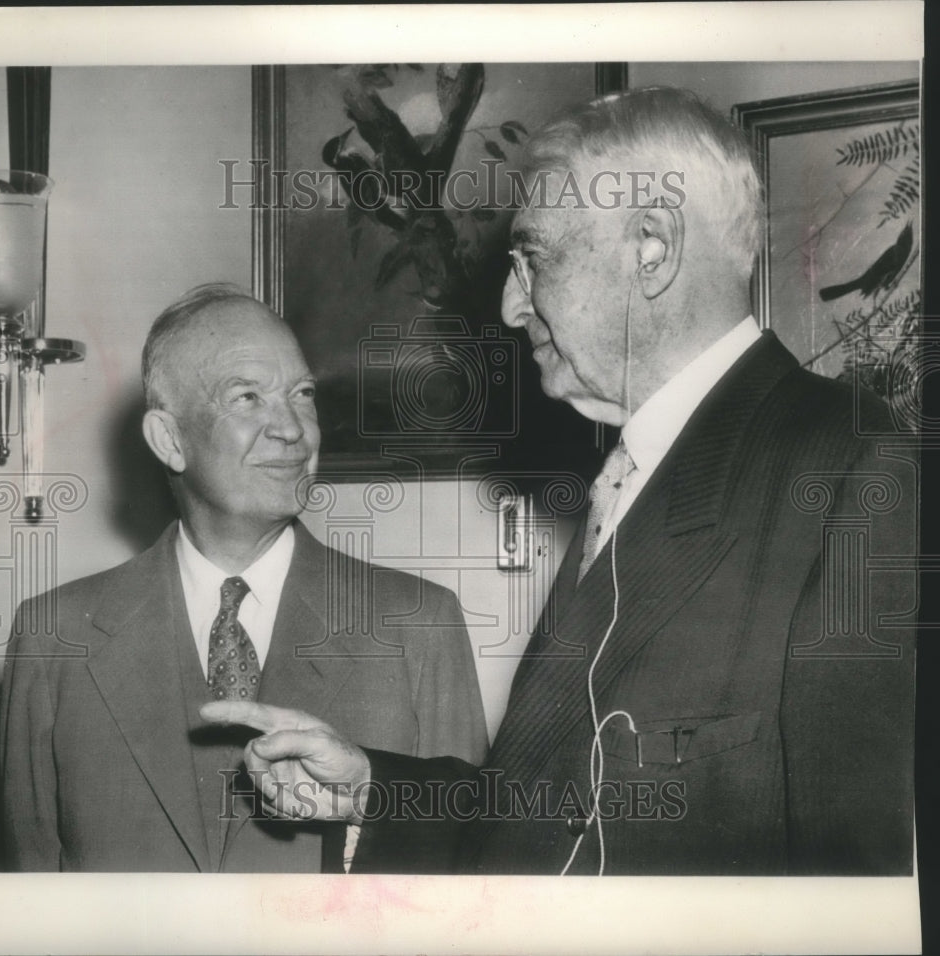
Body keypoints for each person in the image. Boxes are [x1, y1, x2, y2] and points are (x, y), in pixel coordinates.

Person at [202, 88, 916, 876]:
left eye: (533, 259)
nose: (510, 307)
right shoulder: (635, 473)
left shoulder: (852, 467)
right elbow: (549, 804)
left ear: (652, 247)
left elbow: (860, 889)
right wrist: (375, 789)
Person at [0, 283, 488, 872]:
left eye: (302, 394)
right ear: (170, 439)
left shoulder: (417, 625)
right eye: (249, 396)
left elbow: (474, 870)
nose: (292, 428)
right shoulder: (54, 638)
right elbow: (26, 889)